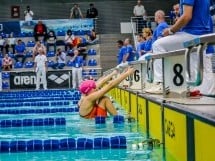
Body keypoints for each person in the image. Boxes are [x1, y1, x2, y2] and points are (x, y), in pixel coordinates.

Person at [147, 1, 211, 94]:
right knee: (197, 65)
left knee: (157, 45)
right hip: (202, 34)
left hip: (192, 34)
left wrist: (170, 30)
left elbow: (187, 16)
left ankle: (160, 83)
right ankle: (198, 91)